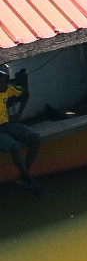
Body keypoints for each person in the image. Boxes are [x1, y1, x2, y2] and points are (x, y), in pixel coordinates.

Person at [0, 64, 43, 195]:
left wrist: (18, 114)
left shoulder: (8, 89)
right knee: (15, 147)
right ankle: (29, 179)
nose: (6, 84)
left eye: (7, 80)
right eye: (4, 81)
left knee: (35, 138)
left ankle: (22, 178)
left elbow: (25, 93)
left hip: (7, 125)